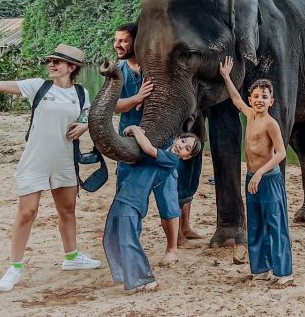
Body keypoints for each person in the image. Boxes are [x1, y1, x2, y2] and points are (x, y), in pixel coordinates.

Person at [0, 44, 102, 292]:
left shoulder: (81, 93)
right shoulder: (38, 86)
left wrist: (84, 125)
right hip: (35, 160)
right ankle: (14, 268)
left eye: (58, 62)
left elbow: (86, 116)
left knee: (68, 210)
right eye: (50, 60)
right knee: (27, 212)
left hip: (65, 159)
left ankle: (72, 257)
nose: (52, 64)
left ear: (72, 67)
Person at [113, 23, 205, 249]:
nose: (118, 44)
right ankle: (127, 241)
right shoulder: (117, 72)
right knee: (127, 194)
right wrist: (136, 99)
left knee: (168, 196)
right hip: (129, 144)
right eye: (116, 40)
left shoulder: (154, 69)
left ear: (138, 42)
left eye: (124, 40)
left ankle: (174, 244)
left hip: (162, 141)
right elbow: (113, 106)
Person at [218, 56, 293, 287]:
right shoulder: (250, 114)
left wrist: (261, 173)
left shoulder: (271, 123)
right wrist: (226, 77)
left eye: (265, 97)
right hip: (252, 179)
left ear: (272, 101)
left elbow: (281, 153)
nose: (260, 100)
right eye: (256, 96)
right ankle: (262, 268)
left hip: (268, 180)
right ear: (252, 99)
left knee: (275, 224)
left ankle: (285, 272)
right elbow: (235, 98)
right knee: (256, 224)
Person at [102, 127, 201, 293]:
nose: (181, 146)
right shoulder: (157, 153)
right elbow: (136, 155)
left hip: (134, 201)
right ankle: (125, 274)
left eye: (186, 148)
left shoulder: (170, 160)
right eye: (182, 141)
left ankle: (146, 280)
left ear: (186, 157)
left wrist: (134, 128)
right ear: (177, 138)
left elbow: (148, 148)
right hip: (122, 196)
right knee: (111, 237)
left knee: (128, 240)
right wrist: (128, 136)